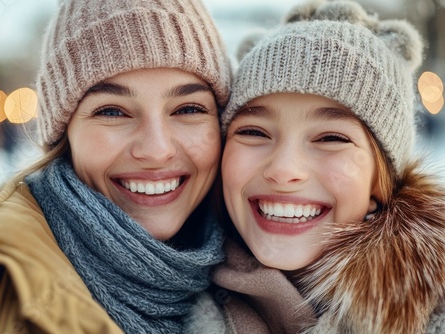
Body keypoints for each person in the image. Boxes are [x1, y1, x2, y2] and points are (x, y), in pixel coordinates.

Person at [0, 0, 232, 333]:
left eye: (188, 109)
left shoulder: (268, 271)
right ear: (64, 131)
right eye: (112, 111)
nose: (157, 150)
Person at [184, 0, 445, 333]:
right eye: (253, 132)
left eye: (330, 138)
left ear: (379, 183)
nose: (283, 169)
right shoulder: (168, 300)